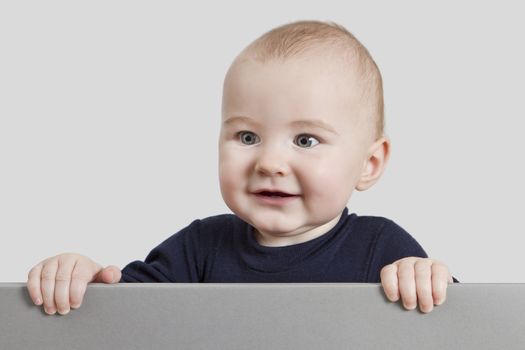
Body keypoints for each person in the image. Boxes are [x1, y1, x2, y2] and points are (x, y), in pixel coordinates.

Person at [26, 20, 456, 316]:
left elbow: (463, 325)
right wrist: (81, 278)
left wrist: (427, 280)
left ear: (370, 163)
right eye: (247, 137)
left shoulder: (380, 247)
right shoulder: (199, 247)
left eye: (306, 140)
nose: (269, 163)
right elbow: (122, 317)